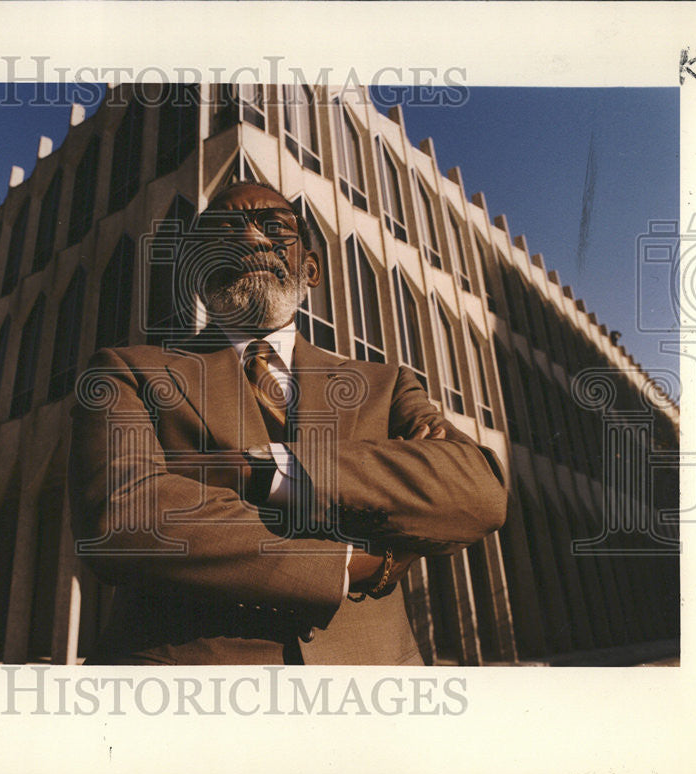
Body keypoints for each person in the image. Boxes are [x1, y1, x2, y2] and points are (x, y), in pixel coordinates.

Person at [69, 181, 507, 665]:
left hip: (375, 694)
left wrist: (268, 471)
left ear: (311, 268)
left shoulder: (387, 384)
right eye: (224, 230)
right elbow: (123, 519)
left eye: (274, 226)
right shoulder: (127, 371)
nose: (253, 239)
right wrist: (352, 562)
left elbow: (477, 489)